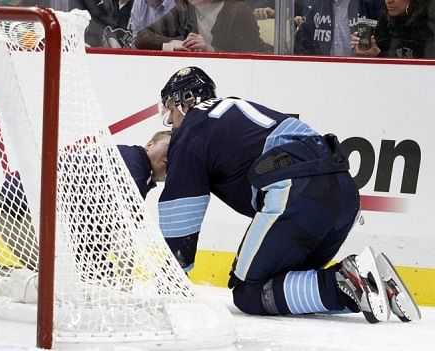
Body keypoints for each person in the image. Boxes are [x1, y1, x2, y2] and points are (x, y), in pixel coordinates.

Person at [157, 66, 421, 323]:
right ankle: (374, 286)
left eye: (169, 107)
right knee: (283, 280)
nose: (169, 120)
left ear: (186, 100)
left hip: (300, 191)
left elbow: (181, 211)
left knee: (250, 291)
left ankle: (345, 281)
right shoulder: (233, 111)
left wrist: (171, 280)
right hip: (345, 194)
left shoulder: (193, 128)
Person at [0, 131, 172, 277]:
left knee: (85, 279)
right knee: (58, 282)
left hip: (28, 211)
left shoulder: (139, 176)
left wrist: (98, 267)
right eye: (168, 147)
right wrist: (124, 284)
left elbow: (94, 220)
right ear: (149, 144)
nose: (171, 157)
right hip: (18, 210)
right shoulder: (133, 164)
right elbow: (119, 236)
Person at [135, 0, 271, 53]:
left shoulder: (239, 11)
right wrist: (173, 43)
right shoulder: (185, 10)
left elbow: (251, 60)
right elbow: (142, 38)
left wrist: (211, 51)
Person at [294, 0, 384, 56]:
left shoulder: (373, 3)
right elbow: (304, 47)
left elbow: (389, 45)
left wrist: (377, 54)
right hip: (322, 74)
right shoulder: (313, 4)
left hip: (365, 74)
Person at [351, 0, 435, 58]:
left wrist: (379, 55)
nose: (389, 1)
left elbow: (423, 62)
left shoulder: (429, 23)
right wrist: (365, 50)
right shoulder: (384, 21)